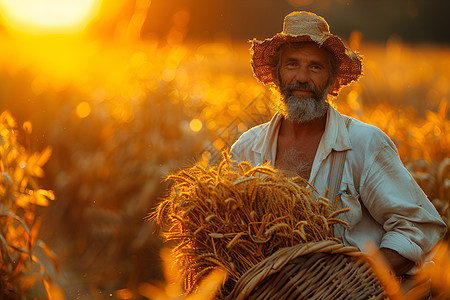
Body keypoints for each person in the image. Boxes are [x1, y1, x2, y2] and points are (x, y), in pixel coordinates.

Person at [230, 11, 447, 295]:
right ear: (276, 75)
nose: (302, 78)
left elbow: (419, 227)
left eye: (315, 67)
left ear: (332, 81)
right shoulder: (246, 150)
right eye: (292, 64)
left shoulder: (364, 143)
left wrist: (349, 283)